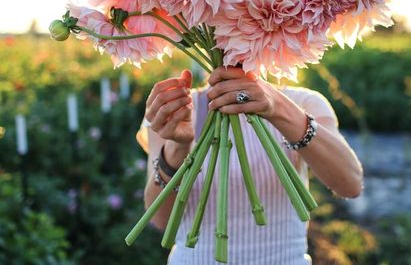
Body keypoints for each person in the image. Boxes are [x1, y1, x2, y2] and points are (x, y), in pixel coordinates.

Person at [136, 66, 363, 265]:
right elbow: (161, 220)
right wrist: (178, 146)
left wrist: (280, 109)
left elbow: (350, 184)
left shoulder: (301, 102)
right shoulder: (177, 109)